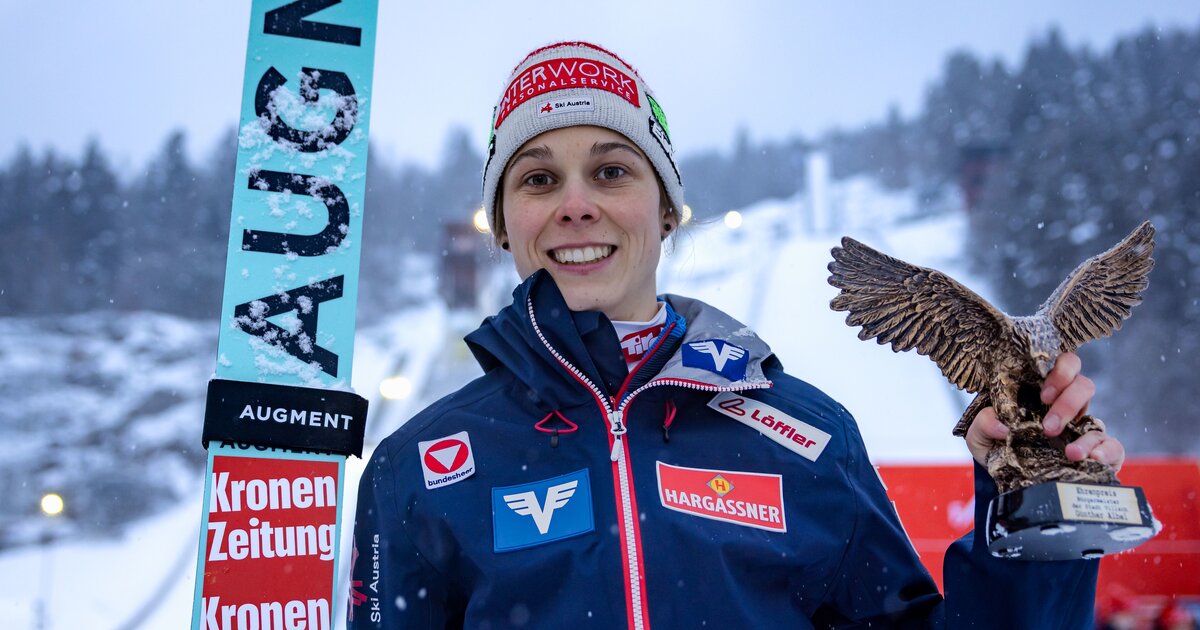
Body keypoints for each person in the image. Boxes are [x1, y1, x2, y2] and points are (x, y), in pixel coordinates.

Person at [348, 41, 1126, 629]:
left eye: (612, 171)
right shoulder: (417, 469)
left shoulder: (808, 437)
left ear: (666, 210)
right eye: (539, 178)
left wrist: (1036, 511)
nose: (576, 204)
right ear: (503, 226)